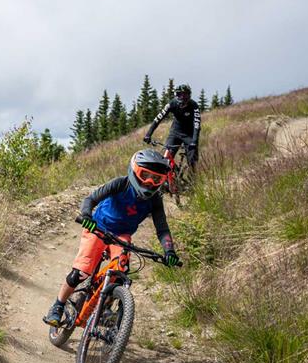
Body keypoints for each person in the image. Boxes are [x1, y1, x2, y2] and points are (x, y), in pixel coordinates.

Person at [42, 150, 181, 327]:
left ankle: (104, 308)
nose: (149, 182)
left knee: (121, 271)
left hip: (122, 236)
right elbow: (90, 199)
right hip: (98, 227)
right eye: (145, 175)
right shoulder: (120, 184)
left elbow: (162, 228)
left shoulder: (155, 200)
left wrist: (169, 250)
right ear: (135, 170)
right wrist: (87, 216)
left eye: (156, 179)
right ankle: (58, 305)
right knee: (82, 271)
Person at [144, 83, 201, 169]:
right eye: (179, 94)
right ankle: (167, 179)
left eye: (184, 94)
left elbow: (197, 124)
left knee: (192, 160)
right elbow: (158, 118)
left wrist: (194, 141)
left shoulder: (194, 106)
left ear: (189, 95)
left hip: (189, 134)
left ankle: (192, 181)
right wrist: (148, 134)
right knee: (165, 159)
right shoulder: (172, 103)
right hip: (175, 133)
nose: (182, 97)